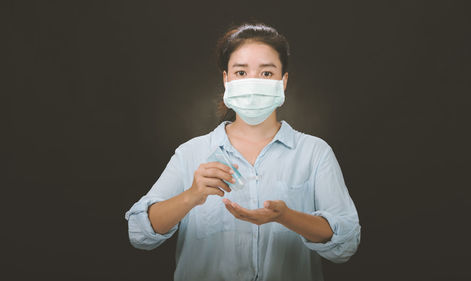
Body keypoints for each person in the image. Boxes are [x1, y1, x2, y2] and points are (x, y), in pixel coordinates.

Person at [125, 22, 361, 281]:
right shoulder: (191, 153)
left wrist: (287, 217)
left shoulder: (315, 153)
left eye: (267, 73)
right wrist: (191, 196)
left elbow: (346, 243)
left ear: (284, 81)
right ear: (226, 79)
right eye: (240, 72)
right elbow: (139, 233)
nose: (252, 82)